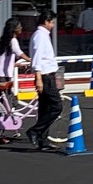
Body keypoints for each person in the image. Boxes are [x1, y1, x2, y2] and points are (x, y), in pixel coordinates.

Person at [27, 10, 62, 151]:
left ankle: (42, 139)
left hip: (46, 75)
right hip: (45, 76)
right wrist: (38, 78)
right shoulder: (40, 36)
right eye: (51, 22)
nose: (53, 25)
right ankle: (35, 131)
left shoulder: (42, 35)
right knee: (56, 106)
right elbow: (37, 57)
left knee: (45, 108)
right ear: (46, 22)